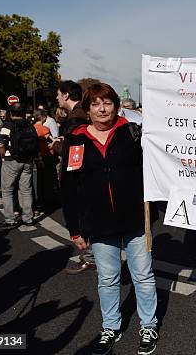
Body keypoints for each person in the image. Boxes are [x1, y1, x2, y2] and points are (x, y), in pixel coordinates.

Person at [62, 83, 158, 355]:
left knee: (143, 276)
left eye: (107, 103)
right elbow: (68, 187)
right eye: (95, 104)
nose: (102, 109)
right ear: (88, 109)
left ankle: (148, 325)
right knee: (107, 279)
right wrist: (75, 229)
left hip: (135, 218)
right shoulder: (76, 139)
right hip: (99, 223)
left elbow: (154, 169)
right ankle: (110, 327)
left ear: (116, 106)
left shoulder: (132, 133)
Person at [51, 80, 95, 274]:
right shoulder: (79, 114)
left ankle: (91, 257)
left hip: (78, 176)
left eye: (58, 94)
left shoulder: (76, 117)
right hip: (85, 175)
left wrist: (57, 145)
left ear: (66, 95)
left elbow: (75, 152)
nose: (57, 98)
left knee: (82, 216)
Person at [0, 104, 39, 228]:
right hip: (28, 160)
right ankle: (28, 217)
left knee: (7, 190)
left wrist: (3, 157)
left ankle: (10, 219)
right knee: (26, 190)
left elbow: (1, 144)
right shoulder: (29, 125)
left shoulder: (7, 125)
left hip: (11, 160)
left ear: (11, 113)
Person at [33, 110, 58, 212]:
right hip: (47, 155)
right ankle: (49, 199)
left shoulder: (31, 128)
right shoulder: (44, 129)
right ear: (42, 118)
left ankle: (40, 198)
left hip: (37, 156)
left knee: (39, 178)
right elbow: (53, 140)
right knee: (49, 178)